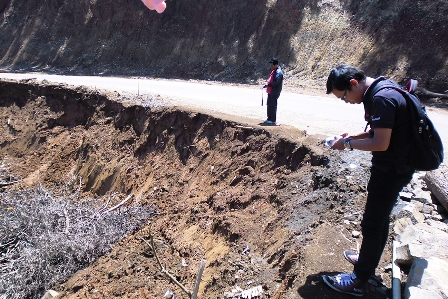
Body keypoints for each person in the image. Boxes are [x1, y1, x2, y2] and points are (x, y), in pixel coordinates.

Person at [322, 65, 415, 297]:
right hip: (395, 166)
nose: (345, 101)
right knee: (380, 221)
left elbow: (381, 143)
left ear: (353, 83)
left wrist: (349, 145)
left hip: (392, 170)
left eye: (343, 96)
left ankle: (359, 279)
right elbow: (379, 131)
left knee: (372, 224)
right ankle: (367, 259)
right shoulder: (383, 88)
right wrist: (352, 136)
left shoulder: (382, 98)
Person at [262, 57, 283, 124]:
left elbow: (276, 82)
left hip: (274, 92)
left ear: (276, 65)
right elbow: (270, 79)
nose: (271, 67)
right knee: (269, 104)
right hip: (271, 91)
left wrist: (268, 84)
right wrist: (267, 83)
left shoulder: (278, 72)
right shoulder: (274, 71)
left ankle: (272, 120)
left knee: (272, 106)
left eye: (272, 66)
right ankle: (269, 119)